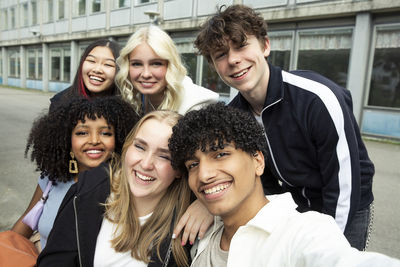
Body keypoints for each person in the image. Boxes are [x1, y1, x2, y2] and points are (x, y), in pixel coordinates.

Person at [193, 4, 375, 250]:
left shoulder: (317, 97)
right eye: (221, 55)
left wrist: (328, 247)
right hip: (296, 202)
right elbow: (259, 179)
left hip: (347, 204)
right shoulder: (233, 115)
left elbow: (345, 186)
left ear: (265, 45)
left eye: (241, 45)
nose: (233, 60)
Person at [168, 103, 400, 267]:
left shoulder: (302, 232)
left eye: (220, 154)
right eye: (192, 164)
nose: (204, 174)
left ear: (258, 161)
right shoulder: (204, 233)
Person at [38, 111, 194, 266]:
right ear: (127, 148)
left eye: (164, 156)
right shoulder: (88, 191)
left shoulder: (188, 222)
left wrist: (207, 210)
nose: (146, 164)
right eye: (140, 147)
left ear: (180, 169)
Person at [11, 96, 140, 249]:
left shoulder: (129, 187)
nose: (94, 140)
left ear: (118, 139)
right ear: (67, 140)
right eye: (82, 133)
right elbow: (22, 229)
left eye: (105, 133)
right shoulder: (52, 179)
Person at [115, 25, 219, 115]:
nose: (146, 74)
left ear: (170, 65)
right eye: (136, 64)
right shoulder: (136, 97)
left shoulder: (198, 105)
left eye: (156, 64)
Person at [49, 39, 121, 112]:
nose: (97, 70)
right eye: (91, 61)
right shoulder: (60, 102)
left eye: (108, 64)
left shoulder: (126, 105)